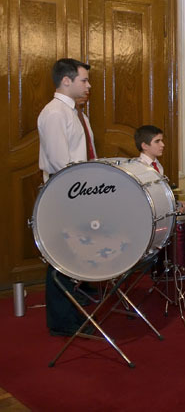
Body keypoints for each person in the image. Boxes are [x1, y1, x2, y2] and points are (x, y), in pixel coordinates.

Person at [38, 58, 96, 336]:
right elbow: (62, 163)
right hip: (65, 194)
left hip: (77, 192)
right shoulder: (54, 113)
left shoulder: (74, 112)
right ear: (66, 80)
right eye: (84, 80)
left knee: (74, 254)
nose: (88, 85)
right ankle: (61, 321)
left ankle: (73, 307)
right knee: (62, 257)